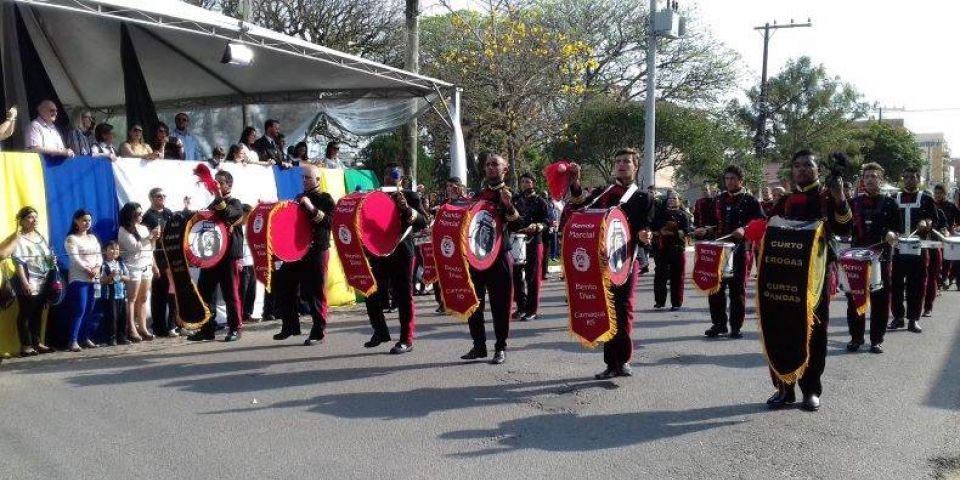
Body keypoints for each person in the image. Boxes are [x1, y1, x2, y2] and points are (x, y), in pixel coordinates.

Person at [764, 149, 851, 412]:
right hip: (782, 277)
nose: (802, 169)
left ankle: (811, 389)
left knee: (814, 334)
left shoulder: (826, 197)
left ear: (818, 170)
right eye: (797, 165)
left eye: (807, 165)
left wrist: (840, 197)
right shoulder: (785, 201)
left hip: (815, 278)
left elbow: (846, 229)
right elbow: (770, 230)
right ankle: (784, 387)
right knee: (780, 330)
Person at [565, 149, 653, 378]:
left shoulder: (643, 197)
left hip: (625, 262)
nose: (622, 165)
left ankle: (622, 360)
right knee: (606, 309)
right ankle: (609, 363)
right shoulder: (603, 192)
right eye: (618, 161)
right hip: (600, 262)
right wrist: (575, 183)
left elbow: (646, 226)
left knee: (623, 311)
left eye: (627, 162)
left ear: (636, 167)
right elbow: (579, 205)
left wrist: (645, 235)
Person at [458, 154, 525, 365]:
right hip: (476, 256)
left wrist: (508, 206)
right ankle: (479, 346)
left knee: (501, 305)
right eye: (487, 165)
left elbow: (517, 226)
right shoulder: (477, 195)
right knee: (474, 303)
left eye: (495, 164)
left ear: (505, 169)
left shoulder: (511, 194)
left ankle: (500, 347)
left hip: (500, 257)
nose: (490, 168)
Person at [362, 163, 428, 354]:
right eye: (386, 175)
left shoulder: (410, 195)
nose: (389, 178)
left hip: (402, 253)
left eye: (394, 175)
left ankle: (406, 339)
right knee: (371, 292)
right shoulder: (375, 195)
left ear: (402, 179)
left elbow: (424, 220)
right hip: (380, 253)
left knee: (403, 297)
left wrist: (406, 208)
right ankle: (380, 331)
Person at [693, 165, 764, 339]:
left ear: (741, 180)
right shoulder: (718, 199)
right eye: (727, 178)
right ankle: (718, 324)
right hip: (718, 249)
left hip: (739, 250)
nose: (729, 182)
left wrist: (745, 229)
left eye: (733, 178)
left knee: (737, 289)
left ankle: (735, 326)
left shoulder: (750, 200)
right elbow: (712, 223)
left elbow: (761, 223)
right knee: (715, 287)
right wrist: (705, 229)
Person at [274, 165, 337, 345]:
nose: (304, 181)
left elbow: (329, 222)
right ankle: (290, 326)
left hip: (317, 249)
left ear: (318, 180)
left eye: (308, 178)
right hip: (297, 250)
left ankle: (318, 331)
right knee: (284, 283)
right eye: (302, 178)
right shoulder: (298, 198)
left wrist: (311, 208)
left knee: (315, 291)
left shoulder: (325, 199)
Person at [845, 162, 900, 354]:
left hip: (881, 258)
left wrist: (893, 234)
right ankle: (856, 338)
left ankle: (876, 340)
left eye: (873, 176)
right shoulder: (853, 203)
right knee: (854, 299)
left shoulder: (891, 203)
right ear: (862, 179)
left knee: (880, 300)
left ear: (881, 179)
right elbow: (845, 229)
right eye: (866, 176)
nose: (869, 179)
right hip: (857, 259)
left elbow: (898, 229)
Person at [188, 170, 245, 342]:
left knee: (230, 293)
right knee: (206, 292)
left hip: (228, 256)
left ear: (229, 185)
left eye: (220, 182)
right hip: (212, 255)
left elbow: (228, 214)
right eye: (216, 182)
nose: (216, 185)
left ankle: (235, 328)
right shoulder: (213, 204)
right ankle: (207, 329)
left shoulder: (236, 203)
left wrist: (218, 196)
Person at [889, 167, 936, 334]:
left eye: (912, 177)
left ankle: (914, 319)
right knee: (895, 284)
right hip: (898, 248)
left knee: (917, 285)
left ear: (919, 180)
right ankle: (898, 317)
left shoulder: (926, 199)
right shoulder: (894, 198)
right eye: (906, 177)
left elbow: (933, 219)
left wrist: (926, 222)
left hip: (919, 249)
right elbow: (888, 220)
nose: (909, 180)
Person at [12, 207, 54, 356]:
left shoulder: (40, 236)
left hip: (42, 281)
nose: (34, 220)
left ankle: (37, 343)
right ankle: (26, 346)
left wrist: (51, 263)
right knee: (25, 313)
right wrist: (25, 283)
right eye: (30, 217)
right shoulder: (19, 238)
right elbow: (18, 263)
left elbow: (47, 258)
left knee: (37, 313)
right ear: (22, 220)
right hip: (28, 280)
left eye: (36, 217)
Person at [511, 172, 550, 321]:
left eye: (528, 181)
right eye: (523, 182)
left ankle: (532, 309)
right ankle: (521, 307)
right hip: (517, 241)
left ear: (533, 183)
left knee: (532, 277)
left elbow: (547, 222)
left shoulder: (541, 201)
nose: (525, 184)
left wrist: (538, 226)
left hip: (534, 241)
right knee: (516, 276)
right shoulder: (515, 200)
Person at [118, 202, 159, 341]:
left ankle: (143, 327)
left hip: (146, 263)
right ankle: (131, 328)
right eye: (138, 213)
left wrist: (154, 265)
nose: (141, 216)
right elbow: (135, 247)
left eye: (141, 213)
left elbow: (150, 248)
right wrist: (150, 237)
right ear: (130, 215)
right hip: (133, 266)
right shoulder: (123, 230)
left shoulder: (143, 228)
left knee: (143, 297)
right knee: (132, 298)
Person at [141, 188, 178, 337]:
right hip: (157, 259)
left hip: (171, 258)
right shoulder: (147, 217)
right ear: (151, 198)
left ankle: (173, 325)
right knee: (158, 295)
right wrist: (154, 263)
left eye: (164, 195)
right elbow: (147, 243)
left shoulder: (169, 213)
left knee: (173, 294)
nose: (162, 198)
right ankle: (159, 327)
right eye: (158, 196)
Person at [64, 209, 103, 351]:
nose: (87, 223)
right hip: (79, 278)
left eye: (89, 220)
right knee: (80, 309)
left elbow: (99, 255)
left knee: (90, 309)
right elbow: (75, 259)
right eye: (84, 220)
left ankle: (85, 337)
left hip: (94, 278)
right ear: (76, 221)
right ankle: (73, 340)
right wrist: (87, 269)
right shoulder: (71, 239)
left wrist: (97, 267)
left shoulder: (93, 238)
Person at [651, 190, 692, 311]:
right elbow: (653, 228)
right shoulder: (660, 213)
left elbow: (687, 231)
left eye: (675, 199)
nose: (672, 201)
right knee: (660, 274)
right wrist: (660, 231)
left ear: (679, 201)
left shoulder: (683, 215)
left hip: (677, 248)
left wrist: (675, 231)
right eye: (670, 199)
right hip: (661, 248)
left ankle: (676, 302)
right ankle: (659, 301)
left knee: (677, 276)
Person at [98, 241, 130, 346]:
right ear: (105, 251)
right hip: (109, 295)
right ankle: (111, 338)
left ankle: (122, 337)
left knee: (122, 316)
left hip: (121, 294)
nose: (114, 251)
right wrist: (110, 276)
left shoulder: (121, 264)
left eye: (117, 249)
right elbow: (102, 280)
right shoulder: (103, 265)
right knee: (111, 317)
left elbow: (128, 278)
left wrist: (121, 276)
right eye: (111, 248)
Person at [933, 184, 960, 289]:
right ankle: (938, 280)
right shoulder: (931, 204)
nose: (937, 195)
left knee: (946, 259)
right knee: (936, 259)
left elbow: (958, 220)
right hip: (934, 236)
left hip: (947, 236)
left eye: (939, 193)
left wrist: (955, 228)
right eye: (936, 193)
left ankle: (944, 278)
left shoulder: (950, 206)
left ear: (944, 194)